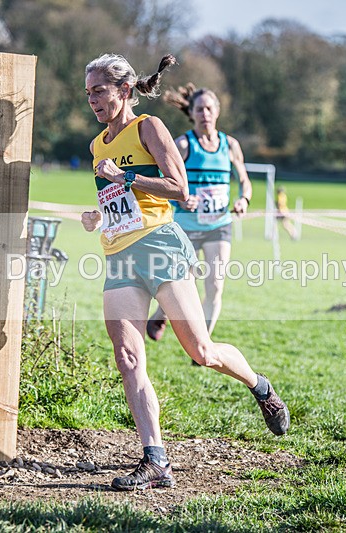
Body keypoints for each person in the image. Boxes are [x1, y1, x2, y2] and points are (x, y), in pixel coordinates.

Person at [82, 53, 290, 491]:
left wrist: (126, 177)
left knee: (201, 351)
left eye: (98, 91)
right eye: (88, 93)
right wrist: (97, 215)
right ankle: (155, 458)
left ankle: (260, 385)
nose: (92, 100)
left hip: (160, 247)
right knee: (128, 358)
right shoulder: (97, 144)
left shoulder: (149, 128)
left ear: (124, 90)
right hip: (119, 255)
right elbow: (117, 203)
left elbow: (179, 189)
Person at [145, 84, 252, 345]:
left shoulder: (230, 145)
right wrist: (184, 195)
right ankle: (161, 314)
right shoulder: (183, 144)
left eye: (208, 108)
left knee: (215, 286)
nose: (204, 113)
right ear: (191, 114)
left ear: (217, 111)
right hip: (186, 226)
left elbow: (244, 180)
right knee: (184, 285)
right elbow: (163, 181)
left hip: (219, 225)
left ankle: (204, 344)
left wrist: (243, 199)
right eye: (199, 109)